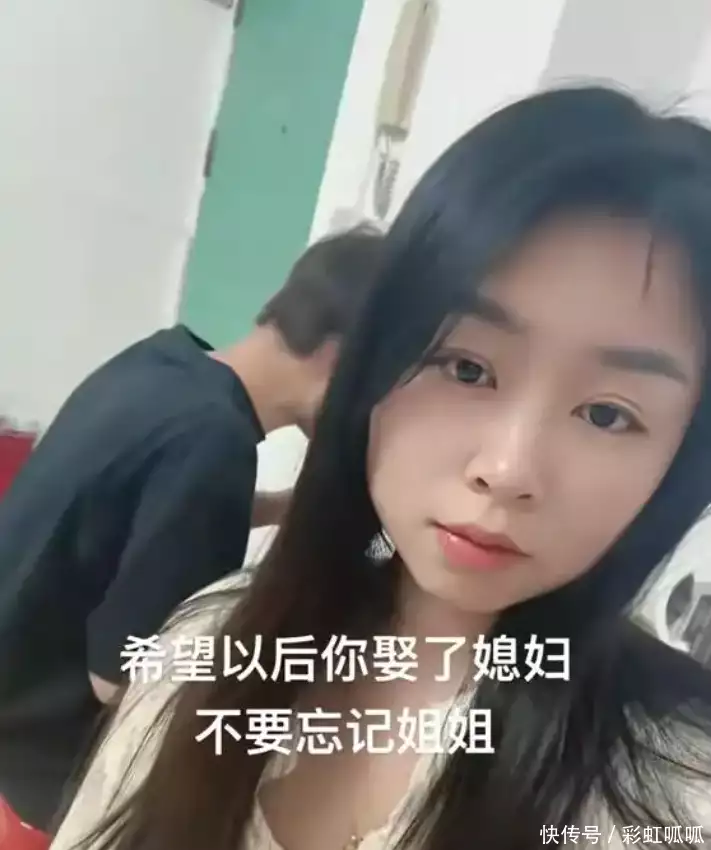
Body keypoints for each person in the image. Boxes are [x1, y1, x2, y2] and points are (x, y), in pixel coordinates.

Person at [51, 86, 711, 850]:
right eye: (465, 367)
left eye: (606, 414)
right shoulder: (209, 642)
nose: (506, 470)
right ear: (370, 367)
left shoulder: (677, 792)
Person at [0, 223, 385, 831]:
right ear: (341, 359)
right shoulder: (213, 445)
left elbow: (140, 510)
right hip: (42, 765)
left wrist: (285, 507)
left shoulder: (160, 365)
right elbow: (120, 682)